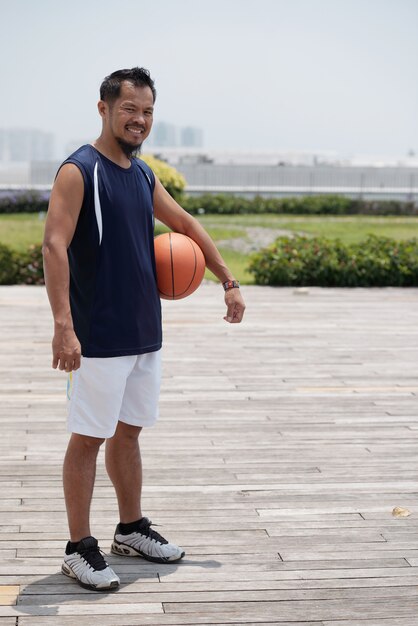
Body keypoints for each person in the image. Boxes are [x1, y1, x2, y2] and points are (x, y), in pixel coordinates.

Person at [42, 67, 245, 592]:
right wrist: (63, 326)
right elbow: (53, 245)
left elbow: (185, 225)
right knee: (88, 437)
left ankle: (130, 528)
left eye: (148, 111)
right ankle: (78, 547)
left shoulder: (143, 174)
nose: (140, 120)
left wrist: (228, 279)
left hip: (143, 332)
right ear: (105, 109)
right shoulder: (78, 170)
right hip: (97, 334)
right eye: (130, 109)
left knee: (129, 432)